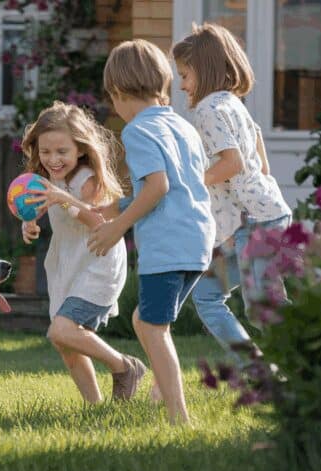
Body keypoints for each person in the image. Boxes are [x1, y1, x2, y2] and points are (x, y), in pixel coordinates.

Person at [88, 39, 215, 425]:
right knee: (148, 320)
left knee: (152, 327)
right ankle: (163, 392)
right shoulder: (181, 126)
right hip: (197, 241)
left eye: (113, 99)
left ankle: (179, 416)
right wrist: (118, 206)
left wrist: (116, 228)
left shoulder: (138, 132)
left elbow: (158, 187)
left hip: (167, 243)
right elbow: (175, 185)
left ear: (119, 92)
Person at [172, 23, 293, 367]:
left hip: (255, 222)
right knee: (209, 295)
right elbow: (256, 149)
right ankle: (257, 368)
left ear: (205, 70)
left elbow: (233, 162)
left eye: (185, 75)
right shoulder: (232, 103)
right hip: (251, 218)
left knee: (261, 305)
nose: (181, 84)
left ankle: (319, 351)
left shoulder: (208, 110)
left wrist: (196, 182)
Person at [20, 101, 147, 404]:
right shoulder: (49, 179)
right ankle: (95, 405)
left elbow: (98, 220)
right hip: (68, 264)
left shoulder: (86, 181)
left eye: (61, 152)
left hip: (97, 263)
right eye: (45, 152)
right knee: (67, 345)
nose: (53, 159)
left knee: (60, 331)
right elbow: (35, 210)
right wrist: (29, 225)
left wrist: (63, 199)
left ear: (79, 149)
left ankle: (125, 367)